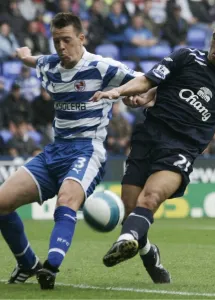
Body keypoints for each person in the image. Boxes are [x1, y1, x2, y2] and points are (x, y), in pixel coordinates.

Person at [89, 16, 215, 276]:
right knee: (131, 212)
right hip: (147, 138)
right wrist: (118, 92)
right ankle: (149, 254)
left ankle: (127, 239)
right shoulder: (186, 57)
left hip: (180, 150)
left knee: (150, 198)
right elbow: (148, 80)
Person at [0, 12, 153, 290]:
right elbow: (36, 60)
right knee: (1, 203)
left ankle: (51, 266)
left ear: (81, 38)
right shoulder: (51, 65)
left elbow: (148, 80)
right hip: (54, 151)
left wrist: (141, 96)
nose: (61, 47)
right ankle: (27, 263)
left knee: (66, 200)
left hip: (87, 151)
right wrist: (24, 55)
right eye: (56, 41)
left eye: (67, 40)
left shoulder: (102, 67)